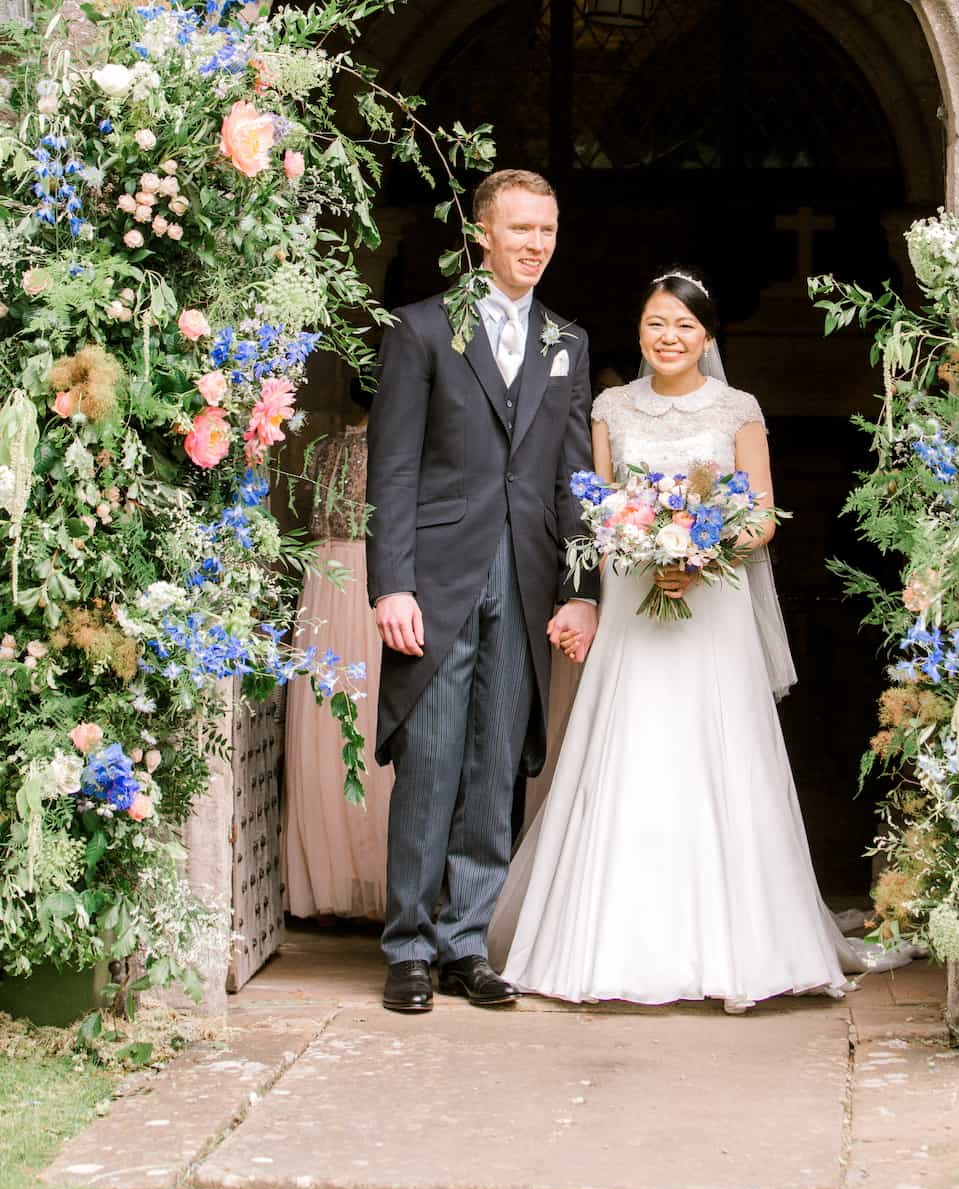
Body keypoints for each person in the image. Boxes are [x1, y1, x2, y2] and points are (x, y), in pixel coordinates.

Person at [491, 269, 914, 1011]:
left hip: (712, 608)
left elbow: (761, 516)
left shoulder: (738, 409)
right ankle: (606, 945)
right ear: (641, 328)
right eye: (656, 322)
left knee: (718, 753)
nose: (668, 337)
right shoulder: (612, 408)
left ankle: (740, 947)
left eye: (684, 326)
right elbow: (601, 508)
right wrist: (645, 551)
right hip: (633, 606)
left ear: (707, 337)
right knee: (632, 752)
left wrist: (698, 552)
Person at [366, 169, 600, 1014]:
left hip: (530, 577)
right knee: (428, 762)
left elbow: (578, 479)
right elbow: (390, 468)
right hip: (436, 578)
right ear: (482, 236)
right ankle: (408, 950)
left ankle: (467, 942)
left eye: (547, 229)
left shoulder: (566, 343)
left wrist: (583, 590)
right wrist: (391, 583)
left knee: (498, 761)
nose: (535, 245)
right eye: (521, 230)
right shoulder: (422, 331)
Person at [282, 383, 390, 921]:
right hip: (370, 579)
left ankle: (325, 876)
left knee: (328, 720)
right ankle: (373, 875)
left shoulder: (324, 448)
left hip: (323, 583)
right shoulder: (391, 449)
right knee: (369, 718)